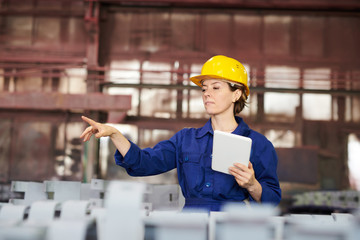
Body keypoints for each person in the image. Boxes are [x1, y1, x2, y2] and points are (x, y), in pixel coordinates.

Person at [80, 55, 281, 212]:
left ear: (236, 94)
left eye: (216, 87)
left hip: (234, 228)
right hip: (190, 226)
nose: (207, 94)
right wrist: (115, 134)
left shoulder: (258, 145)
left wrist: (253, 185)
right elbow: (143, 163)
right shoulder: (185, 140)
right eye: (204, 89)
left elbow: (271, 200)